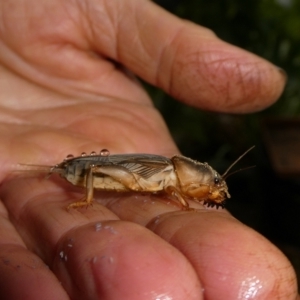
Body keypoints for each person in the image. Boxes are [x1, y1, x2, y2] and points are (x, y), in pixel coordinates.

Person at [0, 0, 298, 299]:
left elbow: (186, 192)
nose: (216, 188)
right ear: (196, 175)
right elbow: (179, 192)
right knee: (94, 170)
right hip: (85, 170)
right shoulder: (171, 178)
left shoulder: (176, 181)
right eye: (214, 183)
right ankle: (84, 199)